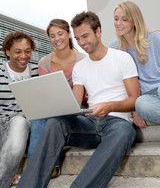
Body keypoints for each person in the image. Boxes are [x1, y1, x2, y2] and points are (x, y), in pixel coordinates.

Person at [17, 11, 140, 188]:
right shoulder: (80, 68)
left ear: (98, 31)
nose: (82, 43)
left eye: (85, 36)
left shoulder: (122, 58)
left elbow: (135, 99)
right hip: (90, 123)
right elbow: (74, 104)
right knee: (55, 122)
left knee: (125, 132)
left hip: (116, 122)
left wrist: (110, 105)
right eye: (78, 38)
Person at [36, 18, 86, 176]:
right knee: (37, 119)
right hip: (54, 107)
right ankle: (39, 167)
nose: (57, 39)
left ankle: (46, 165)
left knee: (53, 119)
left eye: (60, 34)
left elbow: (86, 95)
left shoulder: (83, 59)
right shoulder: (44, 63)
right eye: (52, 36)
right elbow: (46, 93)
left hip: (80, 107)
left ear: (69, 33)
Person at [109, 1, 160, 127]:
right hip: (148, 99)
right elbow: (120, 83)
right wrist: (135, 113)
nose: (118, 24)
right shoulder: (114, 48)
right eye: (116, 19)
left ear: (134, 21)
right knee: (140, 104)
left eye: (124, 19)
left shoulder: (155, 37)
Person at [0, 30, 38, 188]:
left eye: (27, 51)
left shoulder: (37, 72)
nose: (24, 56)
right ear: (7, 52)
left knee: (19, 123)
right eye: (18, 51)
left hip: (21, 123)